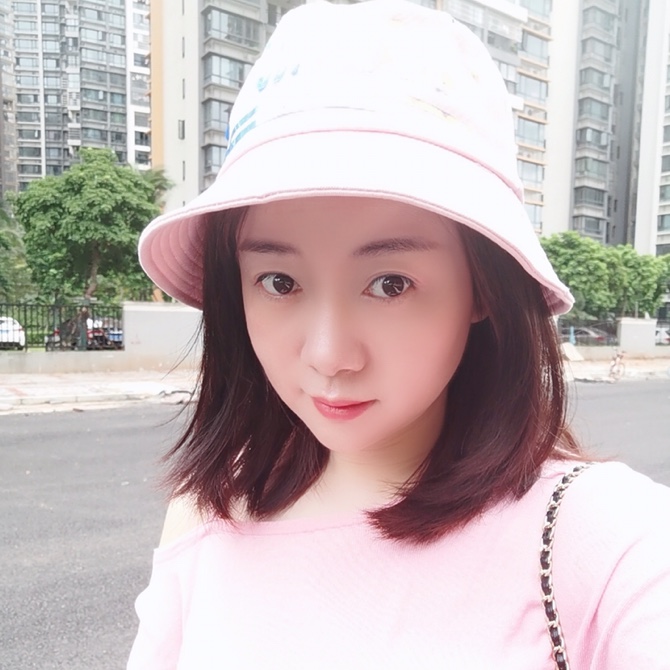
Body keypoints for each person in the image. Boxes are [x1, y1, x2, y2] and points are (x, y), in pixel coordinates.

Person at [128, 1, 670, 668]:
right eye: (279, 281)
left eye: (390, 283)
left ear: (482, 288)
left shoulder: (605, 543)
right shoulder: (206, 516)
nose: (329, 355)